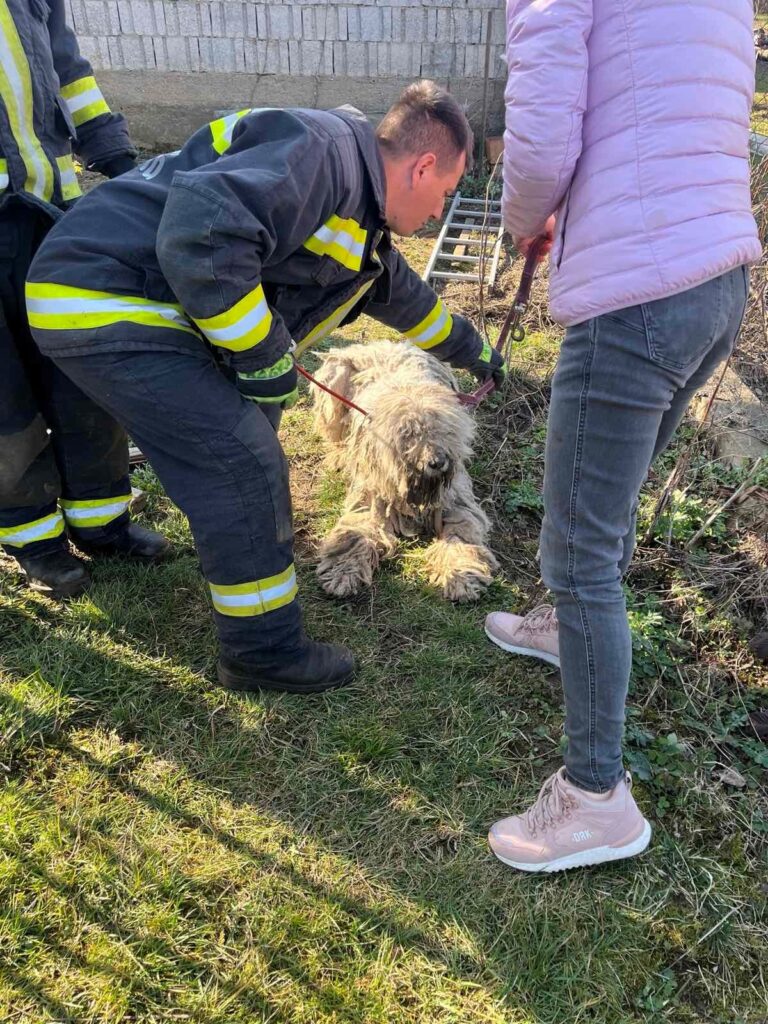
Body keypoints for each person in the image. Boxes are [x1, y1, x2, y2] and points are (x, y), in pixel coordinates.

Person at [26, 81, 507, 694]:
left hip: (98, 295)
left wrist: (477, 353)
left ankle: (102, 534)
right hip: (108, 297)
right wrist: (259, 353)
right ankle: (262, 651)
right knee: (243, 464)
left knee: (133, 429)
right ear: (423, 165)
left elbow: (407, 301)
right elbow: (205, 233)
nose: (440, 212)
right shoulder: (321, 153)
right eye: (444, 194)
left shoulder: (360, 216)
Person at [484, 0, 760, 872]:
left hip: (636, 289)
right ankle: (569, 630)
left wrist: (523, 212)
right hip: (714, 274)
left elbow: (538, 143)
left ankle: (597, 797)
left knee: (578, 551)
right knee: (607, 511)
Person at [0, 0, 169, 599]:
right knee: (6, 396)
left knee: (83, 370)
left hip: (50, 212)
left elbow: (69, 74)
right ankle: (34, 538)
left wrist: (119, 162)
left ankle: (103, 522)